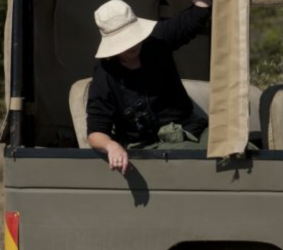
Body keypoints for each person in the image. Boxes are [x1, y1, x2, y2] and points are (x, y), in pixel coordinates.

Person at [86, 0, 212, 175]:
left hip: (189, 132)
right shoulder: (104, 75)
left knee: (233, 152)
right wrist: (111, 146)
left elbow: (194, 17)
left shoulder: (156, 40)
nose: (132, 45)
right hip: (144, 148)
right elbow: (95, 133)